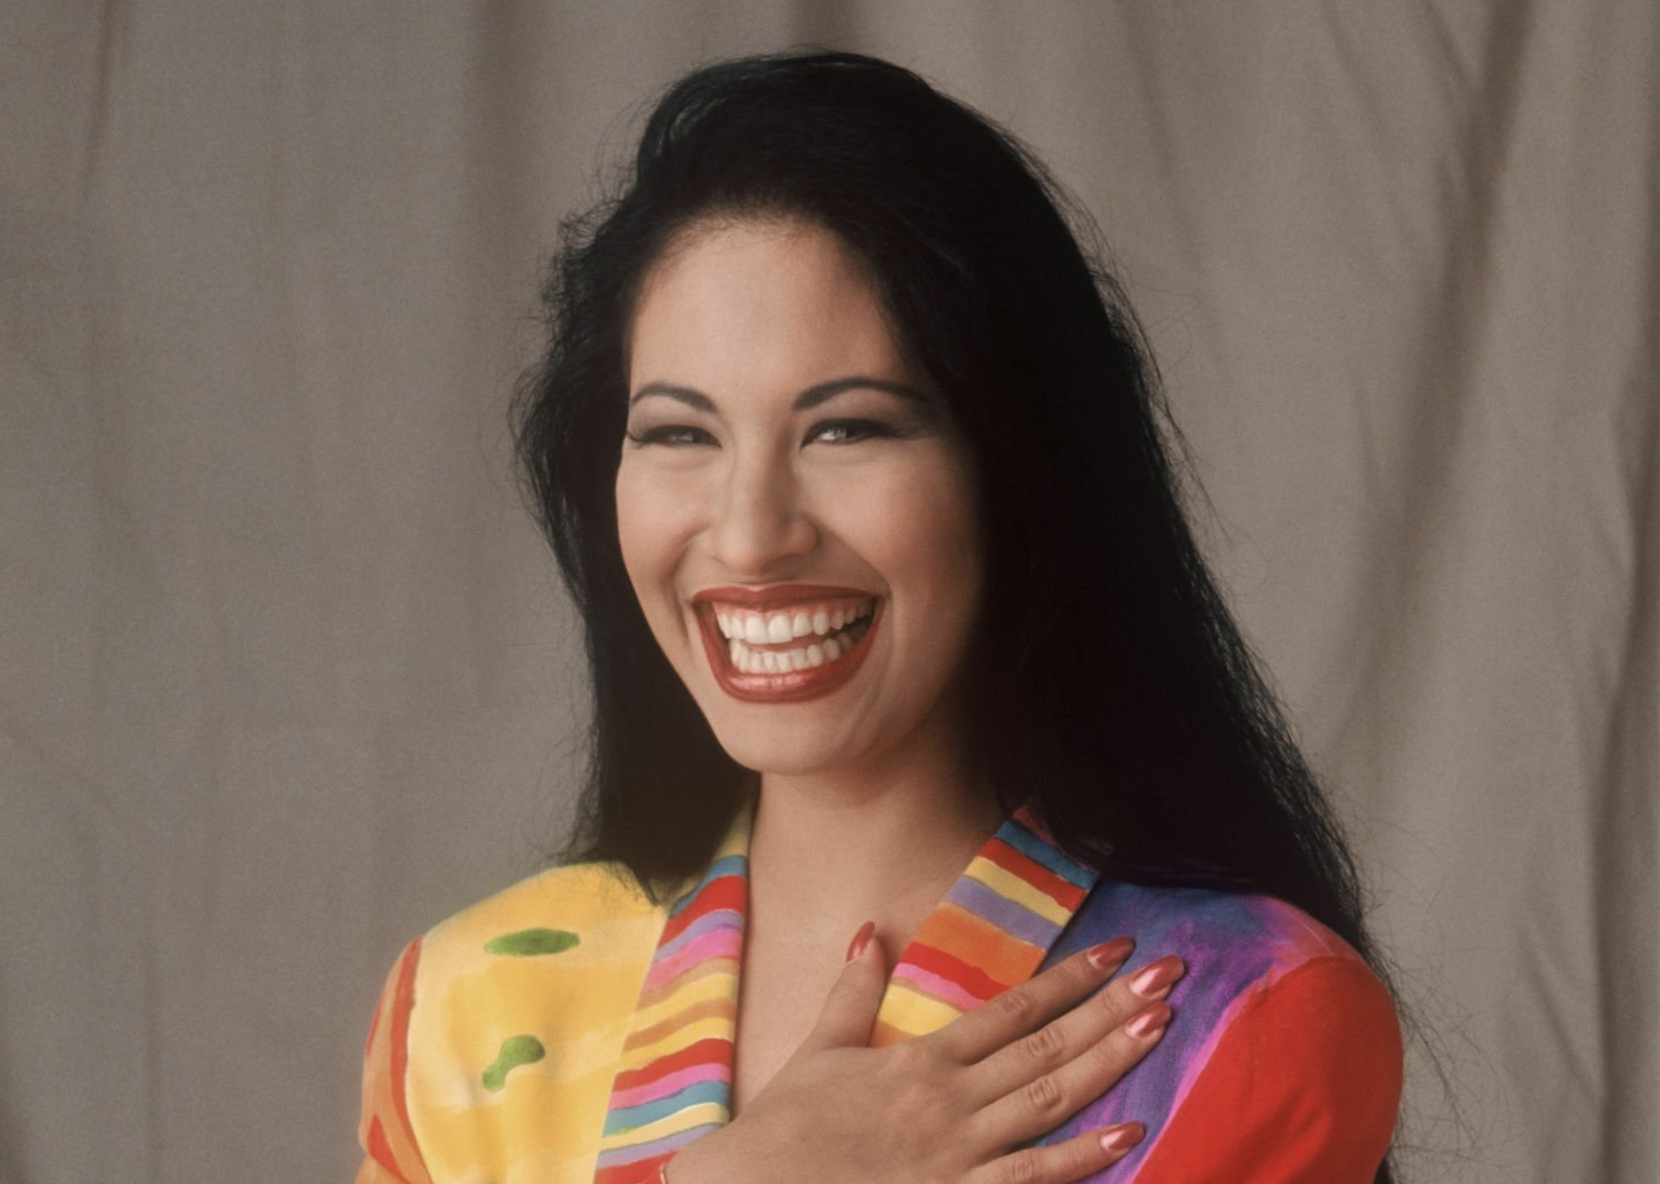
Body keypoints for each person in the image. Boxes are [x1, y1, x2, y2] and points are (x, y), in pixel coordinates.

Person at [355, 51, 1403, 1184]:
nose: (751, 533)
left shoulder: (1237, 1013)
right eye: (677, 433)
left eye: (846, 428)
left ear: (1016, 467)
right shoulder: (459, 1008)